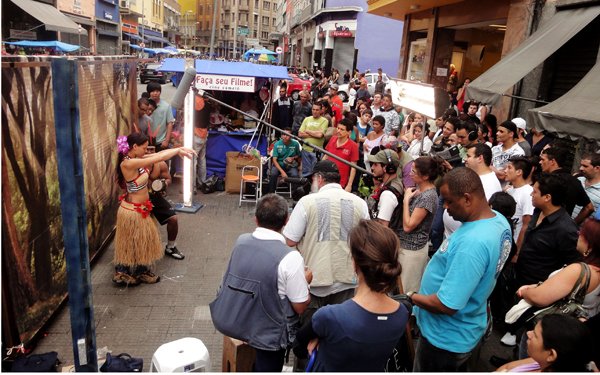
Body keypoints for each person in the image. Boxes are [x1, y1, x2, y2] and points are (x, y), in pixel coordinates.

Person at [409, 167, 512, 372]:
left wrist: (411, 297)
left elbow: (447, 305)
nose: (445, 208)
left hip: (445, 339)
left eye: (449, 201)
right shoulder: (498, 220)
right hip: (467, 325)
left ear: (467, 198)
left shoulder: (473, 243)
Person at [210, 194, 311, 372]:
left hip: (236, 319)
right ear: (286, 221)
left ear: (255, 219)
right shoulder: (290, 257)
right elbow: (300, 306)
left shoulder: (241, 241)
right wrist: (306, 281)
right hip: (268, 333)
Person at [295, 220, 409, 372]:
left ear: (355, 263)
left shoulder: (330, 317)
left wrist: (322, 340)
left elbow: (299, 347)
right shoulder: (402, 312)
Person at [283, 160, 370, 333]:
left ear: (319, 178)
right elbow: (367, 239)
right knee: (340, 334)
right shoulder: (359, 203)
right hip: (347, 280)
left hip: (315, 280)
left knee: (309, 335)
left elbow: (289, 240)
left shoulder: (306, 202)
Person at [113, 133, 195, 285]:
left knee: (142, 240)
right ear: (134, 147)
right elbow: (156, 158)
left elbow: (158, 155)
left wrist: (179, 148)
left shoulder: (136, 159)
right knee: (130, 241)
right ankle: (122, 271)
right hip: (132, 211)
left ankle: (140, 271)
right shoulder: (127, 164)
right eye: (144, 148)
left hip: (142, 208)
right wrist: (177, 151)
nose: (146, 150)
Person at [398, 156, 442, 293]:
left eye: (414, 172)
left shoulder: (429, 196)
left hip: (413, 250)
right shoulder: (419, 191)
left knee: (407, 291)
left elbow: (408, 226)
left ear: (425, 176)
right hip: (404, 246)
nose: (411, 174)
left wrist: (406, 201)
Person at [496, 314, 594, 372]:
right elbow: (507, 366)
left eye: (535, 335)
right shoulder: (542, 362)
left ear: (551, 354)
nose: (528, 333)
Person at [539, 146, 593, 223]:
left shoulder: (546, 180)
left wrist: (573, 224)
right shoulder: (574, 181)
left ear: (552, 161)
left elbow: (589, 208)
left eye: (542, 159)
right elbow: (589, 207)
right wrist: (572, 224)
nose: (540, 162)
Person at [148, 160, 185, 260]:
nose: (148, 151)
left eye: (151, 149)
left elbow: (168, 179)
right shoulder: (135, 163)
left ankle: (170, 247)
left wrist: (163, 184)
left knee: (173, 219)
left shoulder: (160, 164)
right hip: (138, 199)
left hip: (154, 196)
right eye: (146, 149)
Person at [367, 149, 404, 229]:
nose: (372, 167)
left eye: (376, 165)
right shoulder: (390, 184)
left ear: (386, 168)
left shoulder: (388, 195)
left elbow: (383, 226)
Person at [505, 157, 534, 252]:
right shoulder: (509, 190)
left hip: (514, 246)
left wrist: (517, 251)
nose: (505, 171)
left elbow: (527, 225)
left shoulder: (528, 193)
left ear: (519, 172)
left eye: (509, 168)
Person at [324, 119, 359, 191]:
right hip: (326, 178)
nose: (338, 131)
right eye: (338, 128)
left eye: (342, 129)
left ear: (348, 132)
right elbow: (326, 156)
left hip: (340, 182)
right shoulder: (333, 139)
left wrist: (349, 185)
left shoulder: (353, 146)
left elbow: (353, 168)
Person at [298, 102, 329, 177]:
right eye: (313, 109)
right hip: (305, 149)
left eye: (317, 110)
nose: (315, 111)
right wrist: (315, 134)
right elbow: (300, 134)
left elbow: (320, 135)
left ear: (321, 111)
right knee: (306, 172)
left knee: (316, 173)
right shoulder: (307, 119)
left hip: (316, 151)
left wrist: (307, 131)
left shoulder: (324, 120)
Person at [267, 128, 301, 194]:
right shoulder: (277, 144)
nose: (285, 136)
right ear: (281, 135)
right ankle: (271, 194)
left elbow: (299, 155)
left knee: (295, 175)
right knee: (273, 174)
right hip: (278, 165)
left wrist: (293, 158)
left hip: (291, 166)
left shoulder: (295, 144)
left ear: (291, 136)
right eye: (283, 134)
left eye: (287, 135)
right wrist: (282, 172)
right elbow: (274, 160)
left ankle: (296, 195)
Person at [147, 82, 175, 151]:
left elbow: (170, 123)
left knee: (162, 161)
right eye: (153, 91)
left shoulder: (166, 106)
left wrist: (166, 141)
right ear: (149, 92)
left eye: (157, 91)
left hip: (161, 142)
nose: (155, 93)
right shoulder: (144, 105)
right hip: (146, 142)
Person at [572, 153, 600, 220]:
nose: (581, 168)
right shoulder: (578, 180)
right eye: (581, 165)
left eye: (585, 166)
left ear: (597, 168)